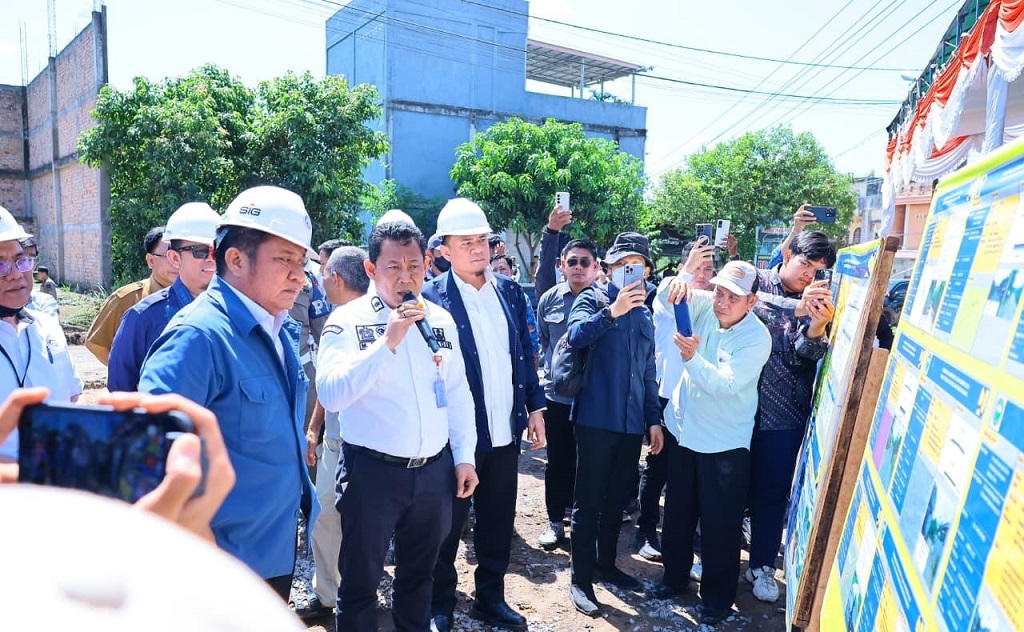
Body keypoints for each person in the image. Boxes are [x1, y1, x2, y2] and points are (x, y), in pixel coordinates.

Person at [138, 185, 319, 600]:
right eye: (285, 259)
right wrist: (204, 557)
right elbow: (152, 462)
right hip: (220, 570)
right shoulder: (197, 337)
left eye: (302, 261)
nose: (299, 273)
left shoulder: (278, 327)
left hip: (271, 555)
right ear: (235, 259)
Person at [317, 221, 479, 632]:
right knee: (360, 584)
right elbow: (333, 395)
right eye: (394, 267)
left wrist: (464, 458)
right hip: (372, 474)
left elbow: (457, 394)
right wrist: (386, 343)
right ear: (371, 270)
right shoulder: (346, 321)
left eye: (414, 265)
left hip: (433, 474)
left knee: (418, 578)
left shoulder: (439, 319)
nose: (406, 277)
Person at [423, 198, 545, 632]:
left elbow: (524, 354)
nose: (478, 248)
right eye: (466, 241)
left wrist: (535, 406)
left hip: (503, 433)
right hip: (457, 439)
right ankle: (440, 603)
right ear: (444, 250)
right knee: (447, 525)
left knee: (497, 520)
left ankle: (489, 598)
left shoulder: (509, 292)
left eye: (483, 239)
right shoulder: (430, 298)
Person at [649, 261, 772, 626]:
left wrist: (691, 358)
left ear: (751, 301)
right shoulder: (704, 305)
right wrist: (681, 278)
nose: (722, 301)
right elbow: (665, 295)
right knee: (677, 514)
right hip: (684, 433)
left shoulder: (756, 337)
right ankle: (673, 578)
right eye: (719, 291)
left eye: (733, 296)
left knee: (721, 525)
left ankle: (717, 598)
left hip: (724, 444)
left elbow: (726, 384)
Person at [565, 232, 664, 616]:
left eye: (635, 266)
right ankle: (581, 579)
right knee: (587, 502)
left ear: (647, 271)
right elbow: (574, 337)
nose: (628, 271)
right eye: (621, 265)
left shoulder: (645, 312)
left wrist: (653, 419)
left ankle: (607, 565)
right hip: (595, 419)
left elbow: (649, 370)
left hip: (630, 424)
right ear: (607, 268)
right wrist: (611, 312)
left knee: (616, 502)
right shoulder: (593, 297)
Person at [745, 231, 835, 603]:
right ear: (786, 253)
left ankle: (762, 565)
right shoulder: (753, 278)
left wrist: (815, 329)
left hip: (785, 413)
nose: (808, 277)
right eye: (805, 265)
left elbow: (803, 358)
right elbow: (742, 303)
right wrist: (793, 309)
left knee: (772, 493)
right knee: (725, 485)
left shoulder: (819, 302)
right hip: (735, 403)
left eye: (817, 272)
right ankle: (713, 556)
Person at [298, 245, 370, 620]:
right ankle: (328, 594)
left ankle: (362, 595)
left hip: (374, 446)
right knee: (326, 512)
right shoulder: (335, 325)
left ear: (337, 279)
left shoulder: (380, 320)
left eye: (323, 272)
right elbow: (328, 387)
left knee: (366, 523)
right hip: (335, 441)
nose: (319, 277)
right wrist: (314, 429)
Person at [636, 238, 715, 562]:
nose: (704, 274)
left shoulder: (712, 302)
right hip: (666, 397)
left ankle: (685, 537)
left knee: (691, 473)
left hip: (700, 401)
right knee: (658, 469)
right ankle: (645, 531)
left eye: (710, 268)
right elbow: (673, 293)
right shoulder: (670, 293)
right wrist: (687, 268)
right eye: (699, 266)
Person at [0, 207, 81, 474]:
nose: (14, 274)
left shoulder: (47, 327)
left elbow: (71, 396)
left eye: (21, 260)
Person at [107, 203, 220, 392]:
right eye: (200, 251)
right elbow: (121, 391)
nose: (211, 258)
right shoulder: (142, 318)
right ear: (175, 258)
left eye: (217, 250)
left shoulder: (237, 314)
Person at [536, 239, 599, 551]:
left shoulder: (605, 300)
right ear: (562, 265)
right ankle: (554, 523)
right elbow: (545, 342)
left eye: (584, 262)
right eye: (571, 261)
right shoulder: (549, 300)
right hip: (558, 396)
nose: (577, 267)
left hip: (593, 400)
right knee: (557, 461)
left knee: (588, 464)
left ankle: (583, 525)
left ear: (596, 267)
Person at [86, 226, 177, 365]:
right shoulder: (127, 299)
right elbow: (96, 343)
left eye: (179, 255)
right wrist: (126, 375)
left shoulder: (199, 296)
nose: (175, 263)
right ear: (150, 261)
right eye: (168, 256)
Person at [491, 253, 541, 362]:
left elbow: (531, 328)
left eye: (502, 269)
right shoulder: (485, 298)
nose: (498, 273)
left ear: (511, 272)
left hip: (518, 356)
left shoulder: (520, 296)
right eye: (494, 270)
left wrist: (535, 355)